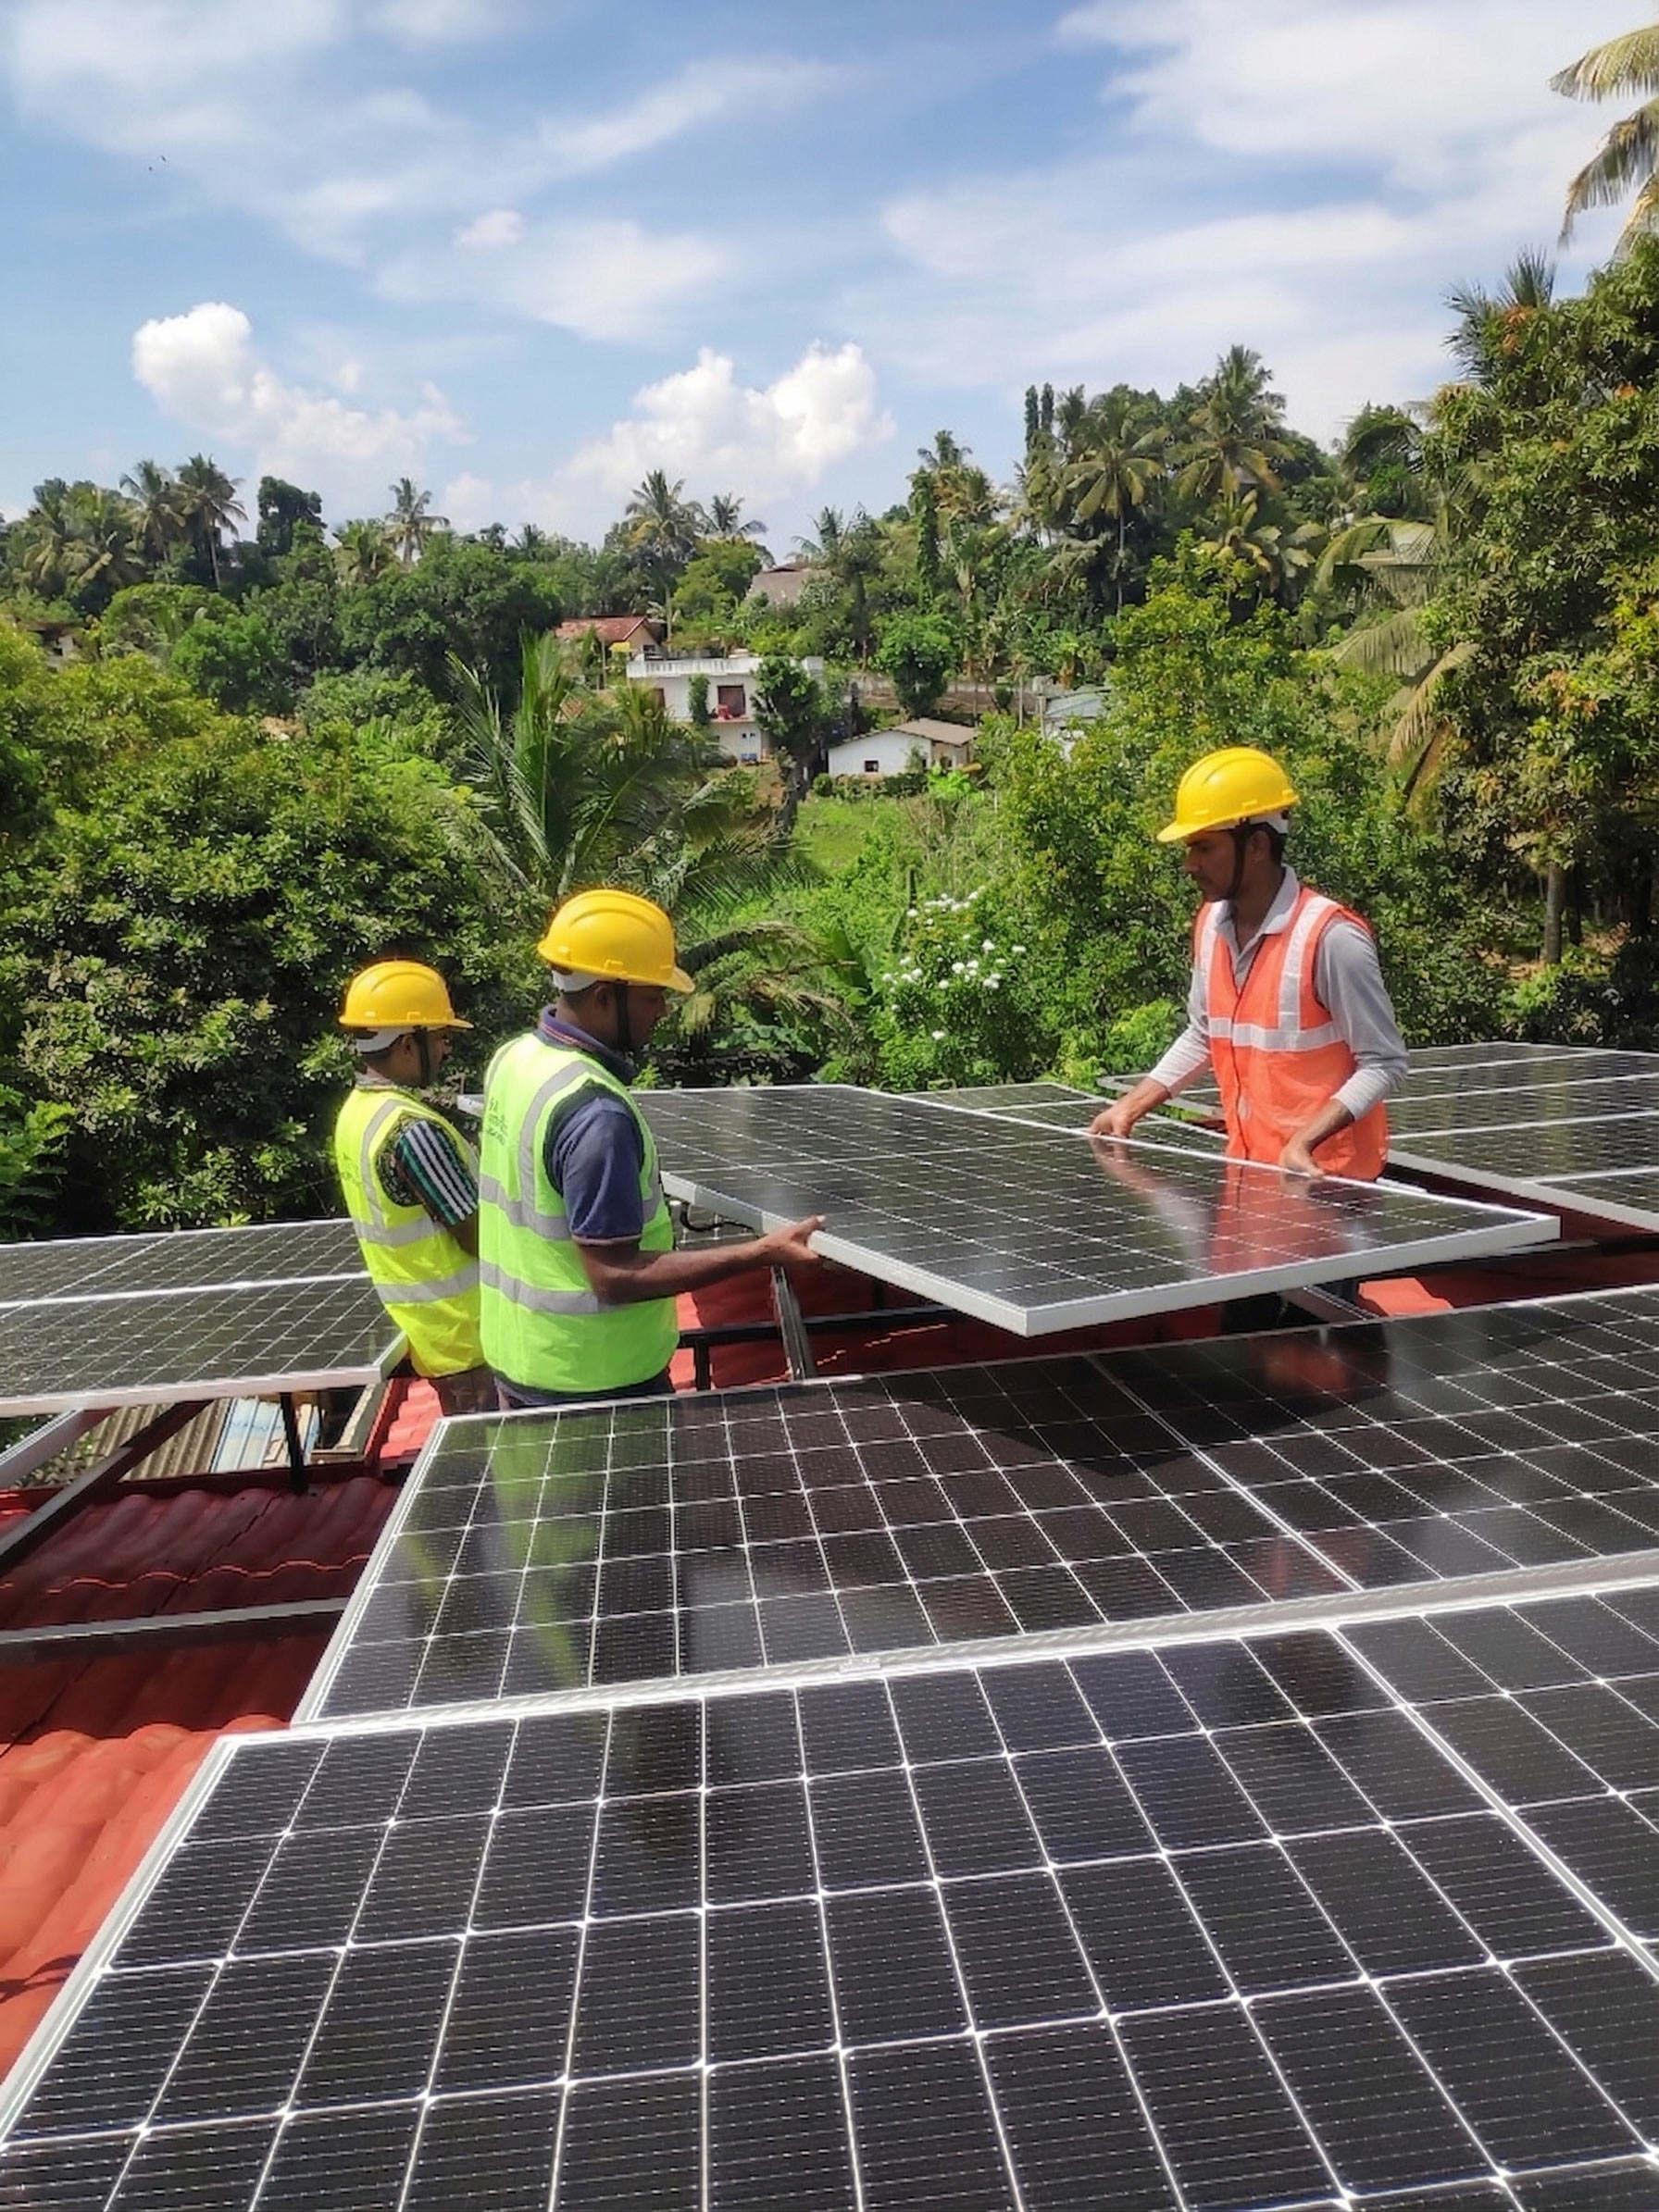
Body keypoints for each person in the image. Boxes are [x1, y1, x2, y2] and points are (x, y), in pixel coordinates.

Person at [478, 888, 824, 1410]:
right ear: (602, 996)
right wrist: (760, 1253)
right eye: (651, 995)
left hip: (523, 1363)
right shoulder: (596, 1113)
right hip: (597, 1384)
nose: (663, 1009)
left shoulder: (514, 1059)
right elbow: (614, 1276)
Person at [1091, 746, 1408, 1177]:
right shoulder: (1209, 925)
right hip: (1251, 1174)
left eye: (1204, 847)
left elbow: (1384, 1062)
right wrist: (1131, 1106)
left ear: (1257, 845)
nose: (1189, 865)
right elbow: (1204, 1033)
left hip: (1328, 1184)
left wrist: (1304, 1142)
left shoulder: (1330, 938)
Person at [333, 959, 495, 1417]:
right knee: (498, 1475)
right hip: (470, 1339)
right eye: (441, 1036)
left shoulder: (355, 1115)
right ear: (408, 1043)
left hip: (435, 1335)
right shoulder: (411, 1130)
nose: (447, 1049)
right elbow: (478, 1236)